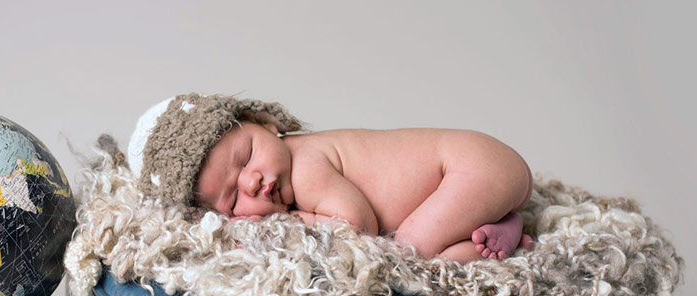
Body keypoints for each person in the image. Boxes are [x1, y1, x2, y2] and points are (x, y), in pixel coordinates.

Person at [128, 93, 534, 262]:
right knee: (432, 249)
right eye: (232, 199)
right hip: (479, 171)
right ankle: (500, 223)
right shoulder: (287, 164)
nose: (252, 182)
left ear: (264, 123)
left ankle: (503, 233)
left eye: (247, 156)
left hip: (470, 168)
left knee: (411, 252)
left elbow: (357, 225)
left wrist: (289, 220)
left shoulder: (304, 163)